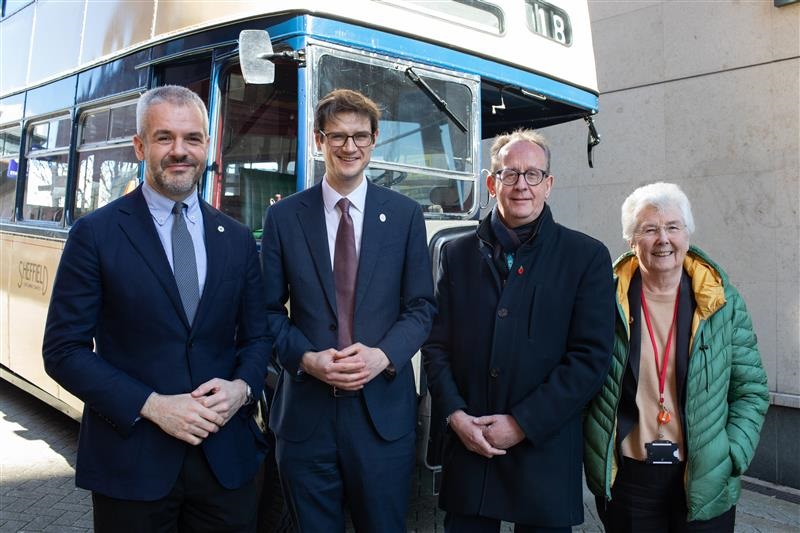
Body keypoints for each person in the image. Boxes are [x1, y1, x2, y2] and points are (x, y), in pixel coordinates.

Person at [42, 85, 270, 532]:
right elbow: (64, 351)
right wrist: (152, 405)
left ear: (207, 145)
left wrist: (242, 388)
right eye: (165, 138)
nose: (179, 151)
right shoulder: (96, 234)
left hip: (225, 464)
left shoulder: (237, 238)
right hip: (133, 464)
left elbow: (258, 336)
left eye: (192, 138)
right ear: (140, 146)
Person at [422, 129, 616, 532]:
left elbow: (590, 359)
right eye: (509, 174)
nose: (521, 185)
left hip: (543, 452)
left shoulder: (586, 256)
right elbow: (436, 346)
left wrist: (522, 423)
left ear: (549, 184)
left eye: (532, 174)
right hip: (470, 446)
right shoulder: (456, 254)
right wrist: (455, 416)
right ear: (492, 184)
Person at [261, 88, 436, 532]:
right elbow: (265, 312)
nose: (349, 146)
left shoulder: (404, 215)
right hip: (306, 419)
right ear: (319, 141)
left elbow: (421, 309)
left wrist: (382, 356)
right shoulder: (285, 218)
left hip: (382, 419)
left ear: (375, 140)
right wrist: (305, 358)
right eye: (337, 136)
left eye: (360, 136)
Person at [584, 182, 769, 532]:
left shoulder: (721, 303)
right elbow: (581, 381)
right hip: (629, 480)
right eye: (650, 229)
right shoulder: (602, 301)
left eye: (672, 227)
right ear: (631, 240)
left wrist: (731, 455)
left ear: (687, 234)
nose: (663, 239)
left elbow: (751, 390)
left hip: (704, 477)